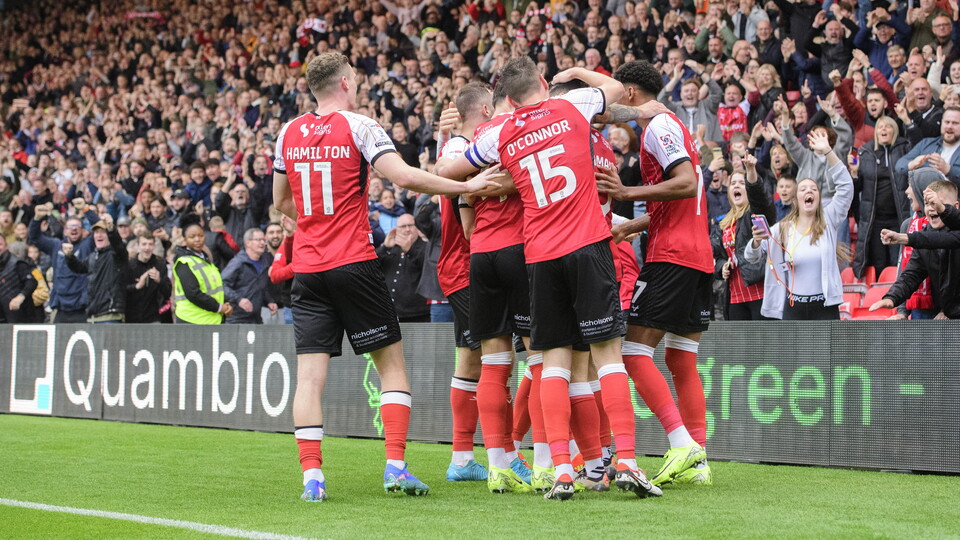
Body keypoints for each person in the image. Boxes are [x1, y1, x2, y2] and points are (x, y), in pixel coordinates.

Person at [271, 52, 499, 503]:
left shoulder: (287, 133)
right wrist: (466, 187)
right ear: (345, 82)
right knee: (392, 369)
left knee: (309, 380)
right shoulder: (360, 126)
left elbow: (281, 202)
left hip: (310, 269)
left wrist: (316, 221)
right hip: (353, 263)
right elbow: (407, 178)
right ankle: (396, 467)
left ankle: (312, 479)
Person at [438, 57, 663, 500]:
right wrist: (575, 75)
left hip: (538, 255)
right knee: (607, 356)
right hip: (586, 244)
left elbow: (446, 171)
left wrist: (479, 180)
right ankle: (629, 462)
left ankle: (559, 468)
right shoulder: (573, 105)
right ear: (542, 82)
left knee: (552, 362)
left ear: (506, 97)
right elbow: (615, 88)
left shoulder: (499, 132)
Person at [598, 59, 713, 488]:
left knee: (632, 353)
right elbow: (682, 198)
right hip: (697, 253)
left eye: (615, 93)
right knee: (681, 358)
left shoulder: (659, 128)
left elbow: (685, 184)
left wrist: (627, 192)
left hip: (672, 256)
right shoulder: (673, 126)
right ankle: (698, 461)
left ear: (629, 93)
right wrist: (632, 223)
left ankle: (682, 442)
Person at [439, 84, 539, 493]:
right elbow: (452, 192)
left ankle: (475, 457)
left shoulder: (460, 149)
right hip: (470, 262)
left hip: (473, 258)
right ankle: (511, 454)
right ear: (486, 107)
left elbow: (453, 189)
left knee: (479, 361)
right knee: (529, 357)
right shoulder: (470, 145)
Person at [745, 129, 854, 319]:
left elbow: (846, 187)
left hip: (824, 306)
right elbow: (751, 256)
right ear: (796, 199)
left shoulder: (829, 219)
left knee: (826, 350)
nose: (809, 191)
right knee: (794, 351)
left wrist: (828, 152)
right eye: (803, 189)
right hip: (793, 306)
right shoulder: (782, 228)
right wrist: (755, 242)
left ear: (819, 198)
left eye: (814, 189)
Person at [872, 178, 960, 318]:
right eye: (927, 203)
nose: (932, 207)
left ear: (955, 207)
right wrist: (891, 297)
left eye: (937, 203)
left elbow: (944, 240)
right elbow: (911, 274)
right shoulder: (925, 236)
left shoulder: (927, 238)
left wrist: (905, 238)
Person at [714, 155, 777, 320]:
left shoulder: (754, 214)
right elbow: (717, 256)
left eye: (742, 183)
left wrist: (751, 173)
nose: (737, 186)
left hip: (760, 293)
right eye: (733, 183)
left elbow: (760, 199)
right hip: (734, 297)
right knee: (740, 346)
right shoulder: (723, 224)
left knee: (762, 346)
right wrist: (722, 268)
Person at [853, 116, 911, 278]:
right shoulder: (866, 152)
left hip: (898, 219)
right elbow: (856, 189)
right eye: (880, 127)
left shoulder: (904, 148)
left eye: (888, 126)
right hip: (875, 220)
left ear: (895, 130)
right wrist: (854, 173)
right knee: (879, 263)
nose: (883, 130)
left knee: (896, 262)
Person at [29, 203, 99, 322]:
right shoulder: (56, 245)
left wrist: (86, 209)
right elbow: (35, 237)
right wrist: (37, 219)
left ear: (83, 230)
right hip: (61, 308)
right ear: (65, 231)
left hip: (82, 308)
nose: (74, 229)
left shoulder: (87, 245)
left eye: (77, 226)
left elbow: (99, 227)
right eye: (70, 227)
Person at [64, 217, 128, 323]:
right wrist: (69, 256)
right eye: (96, 232)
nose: (99, 235)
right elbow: (79, 267)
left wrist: (111, 230)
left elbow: (118, 245)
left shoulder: (116, 255)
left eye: (103, 232)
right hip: (93, 316)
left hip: (111, 315)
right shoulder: (93, 256)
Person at [172, 215, 233, 324]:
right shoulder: (184, 262)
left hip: (210, 319)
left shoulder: (206, 260)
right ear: (185, 240)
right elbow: (193, 293)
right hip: (192, 320)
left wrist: (226, 304)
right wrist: (219, 307)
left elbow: (214, 289)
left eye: (201, 235)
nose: (197, 239)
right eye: (192, 236)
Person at [375, 214, 429, 322]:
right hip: (390, 312)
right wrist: (384, 247)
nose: (407, 229)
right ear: (396, 229)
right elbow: (372, 266)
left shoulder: (426, 246)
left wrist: (409, 250)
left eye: (410, 225)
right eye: (403, 226)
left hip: (418, 312)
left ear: (417, 227)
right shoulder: (390, 247)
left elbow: (428, 267)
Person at [221, 228, 276, 324]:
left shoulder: (265, 261)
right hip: (237, 318)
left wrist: (269, 301)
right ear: (248, 243)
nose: (262, 243)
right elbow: (222, 284)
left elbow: (260, 286)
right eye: (258, 240)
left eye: (264, 240)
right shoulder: (238, 262)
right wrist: (239, 299)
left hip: (256, 318)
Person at [126, 233, 172, 324]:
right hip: (132, 317)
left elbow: (168, 293)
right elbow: (122, 290)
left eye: (150, 244)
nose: (147, 248)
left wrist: (159, 281)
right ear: (138, 245)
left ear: (154, 246)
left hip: (154, 317)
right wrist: (137, 286)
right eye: (144, 244)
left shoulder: (160, 264)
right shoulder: (130, 265)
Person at [0, 235, 39, 324]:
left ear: (6, 246)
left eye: (0, 244)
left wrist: (20, 297)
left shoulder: (18, 263)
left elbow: (32, 282)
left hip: (20, 317)